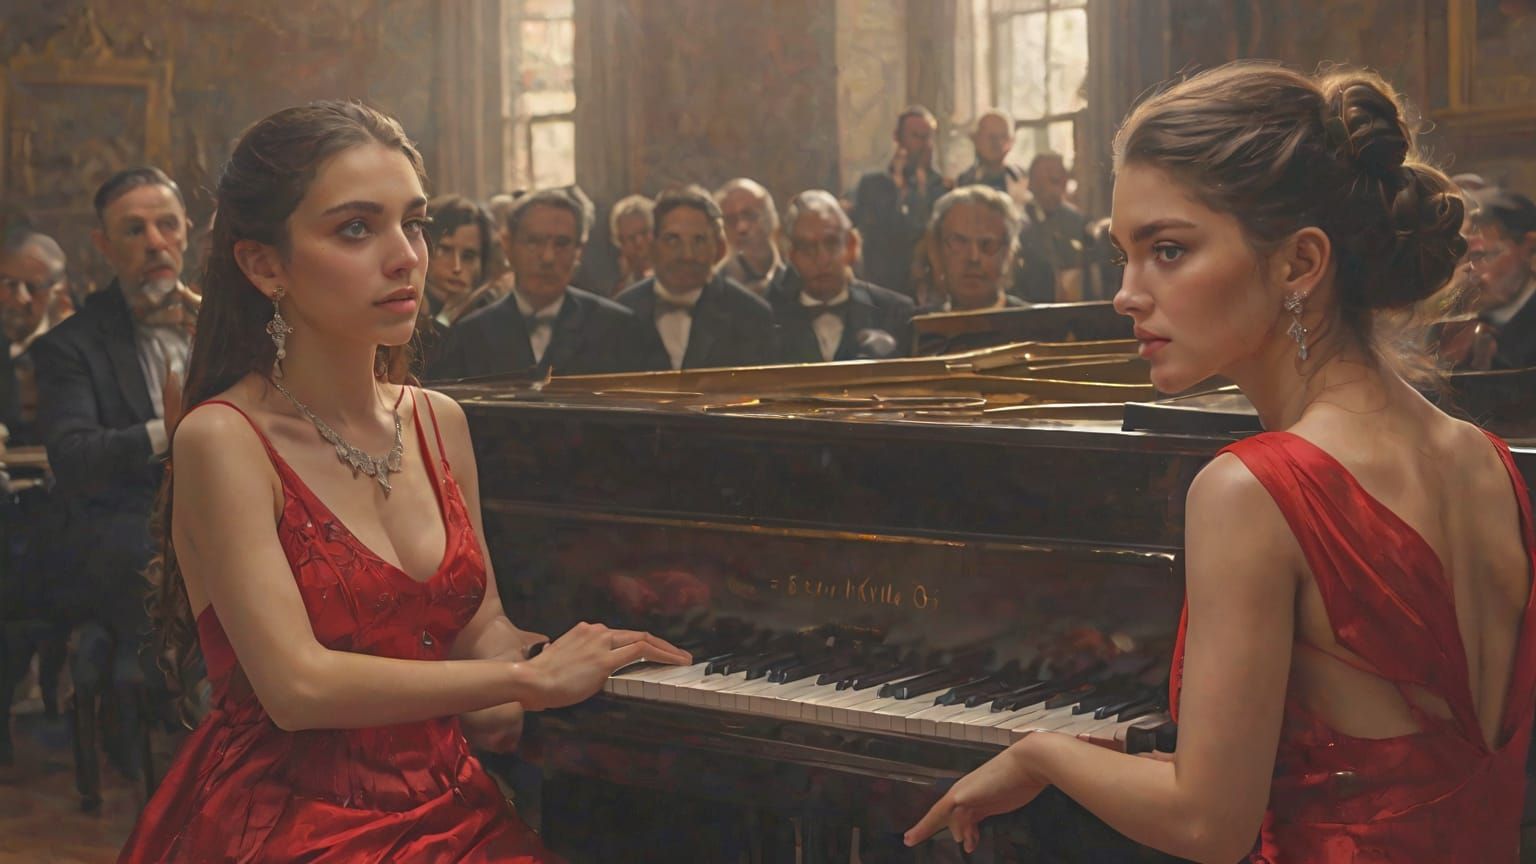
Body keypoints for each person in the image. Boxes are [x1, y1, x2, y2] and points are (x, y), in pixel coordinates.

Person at [906, 62, 1534, 863]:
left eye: (1168, 249)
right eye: (1122, 254)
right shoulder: (1487, 461)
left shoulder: (1255, 489)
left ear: (1300, 264)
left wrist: (1040, 753)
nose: (1127, 293)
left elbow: (1207, 824)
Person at [118, 101, 688, 863]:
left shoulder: (438, 419)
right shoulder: (223, 437)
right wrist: (522, 681)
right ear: (264, 265)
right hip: (290, 821)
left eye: (412, 223)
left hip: (451, 805)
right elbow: (297, 688)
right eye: (357, 228)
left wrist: (582, 646)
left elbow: (477, 622)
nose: (407, 256)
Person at [32, 167, 199, 785]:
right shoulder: (70, 346)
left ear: (187, 234)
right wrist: (174, 430)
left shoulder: (225, 324)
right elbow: (74, 455)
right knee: (161, 565)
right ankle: (177, 751)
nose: (156, 242)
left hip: (223, 511)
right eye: (134, 230)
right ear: (104, 246)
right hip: (122, 528)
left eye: (167, 225)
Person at [428, 186, 647, 380]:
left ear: (578, 252)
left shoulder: (617, 328)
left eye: (562, 243)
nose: (548, 257)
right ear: (508, 246)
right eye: (533, 242)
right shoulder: (470, 336)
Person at [616, 185, 776, 370]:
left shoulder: (751, 315)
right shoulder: (621, 314)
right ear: (652, 245)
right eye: (672, 239)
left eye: (699, 240)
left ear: (717, 249)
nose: (687, 255)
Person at [769, 190, 914, 363]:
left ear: (851, 246)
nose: (822, 259)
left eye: (831, 243)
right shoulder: (765, 318)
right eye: (807, 247)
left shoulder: (894, 311)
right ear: (791, 256)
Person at [851, 106, 949, 299]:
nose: (924, 144)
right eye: (916, 136)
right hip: (881, 287)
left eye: (928, 137)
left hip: (925, 291)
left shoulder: (941, 188)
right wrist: (899, 190)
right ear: (898, 138)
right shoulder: (873, 185)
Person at [920, 186, 1030, 313]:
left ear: (1008, 252)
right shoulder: (917, 327)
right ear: (937, 251)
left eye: (987, 244)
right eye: (959, 242)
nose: (974, 257)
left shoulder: (1037, 326)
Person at [715, 178, 785, 296]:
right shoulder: (714, 289)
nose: (741, 227)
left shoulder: (798, 276)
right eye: (731, 220)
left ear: (772, 219)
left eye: (750, 215)